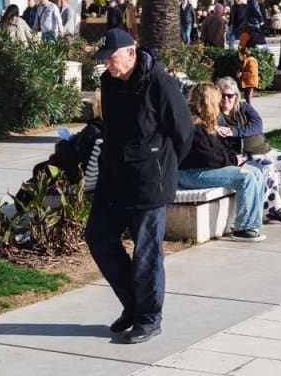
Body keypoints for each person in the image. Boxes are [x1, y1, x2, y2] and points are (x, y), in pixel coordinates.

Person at [87, 28, 194, 343]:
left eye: (111, 58)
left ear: (131, 53)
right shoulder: (108, 83)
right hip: (114, 179)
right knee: (98, 236)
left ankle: (148, 318)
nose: (107, 64)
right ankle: (133, 305)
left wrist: (161, 164)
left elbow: (184, 132)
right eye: (104, 60)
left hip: (149, 181)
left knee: (146, 253)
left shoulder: (160, 83)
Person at [214, 77, 281, 224]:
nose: (226, 99)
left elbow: (257, 125)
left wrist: (234, 132)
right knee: (267, 167)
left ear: (236, 96)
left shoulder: (244, 108)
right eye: (223, 95)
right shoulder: (216, 116)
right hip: (246, 156)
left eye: (230, 95)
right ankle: (271, 210)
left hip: (266, 150)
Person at [178, 82, 267, 242]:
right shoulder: (192, 124)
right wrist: (233, 160)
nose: (220, 103)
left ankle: (252, 223)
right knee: (245, 177)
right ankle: (243, 228)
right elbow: (207, 157)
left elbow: (219, 149)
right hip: (190, 173)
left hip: (203, 169)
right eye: (218, 99)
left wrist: (235, 158)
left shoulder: (207, 122)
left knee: (256, 173)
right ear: (209, 101)